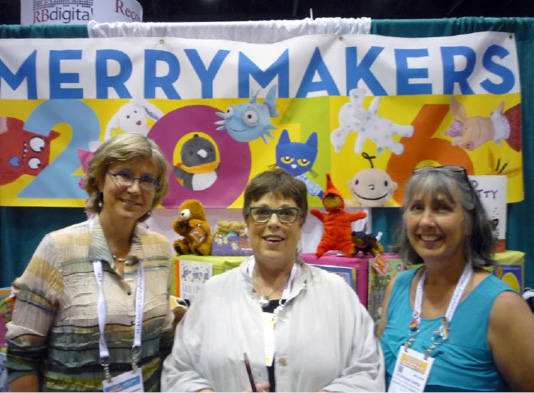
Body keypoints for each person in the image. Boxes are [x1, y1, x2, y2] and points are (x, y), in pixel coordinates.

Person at [161, 167, 385, 392]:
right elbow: (179, 371)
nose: (274, 222)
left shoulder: (337, 293)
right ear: (247, 222)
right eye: (261, 212)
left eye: (287, 213)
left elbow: (368, 371)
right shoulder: (213, 293)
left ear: (301, 224)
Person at [6, 133, 176, 392]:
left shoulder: (160, 250)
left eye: (147, 180)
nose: (135, 188)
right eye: (124, 174)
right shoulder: (57, 248)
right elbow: (22, 358)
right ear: (98, 179)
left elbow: (163, 344)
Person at [377, 165, 534, 392]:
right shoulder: (398, 287)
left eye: (442, 209)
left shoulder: (503, 307)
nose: (426, 221)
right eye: (417, 208)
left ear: (469, 222)